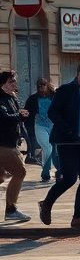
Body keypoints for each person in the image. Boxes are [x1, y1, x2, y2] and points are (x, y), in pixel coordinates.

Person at [38, 62, 80, 229]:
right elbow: (53, 112)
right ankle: (46, 203)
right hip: (68, 142)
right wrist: (67, 129)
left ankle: (78, 217)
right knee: (69, 179)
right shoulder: (66, 90)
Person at [0, 71, 31, 222]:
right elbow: (4, 118)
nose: (15, 84)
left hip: (11, 142)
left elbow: (15, 117)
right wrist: (19, 116)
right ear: (3, 83)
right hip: (3, 144)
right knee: (20, 172)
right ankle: (11, 209)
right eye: (11, 81)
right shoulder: (0, 98)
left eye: (15, 81)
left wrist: (22, 116)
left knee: (0, 178)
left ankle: (10, 209)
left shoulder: (12, 97)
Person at [25, 77, 59, 182]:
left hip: (53, 125)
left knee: (52, 149)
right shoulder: (33, 98)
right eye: (39, 86)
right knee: (47, 146)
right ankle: (46, 171)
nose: (41, 87)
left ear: (48, 85)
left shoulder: (54, 96)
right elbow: (27, 113)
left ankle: (54, 171)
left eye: (43, 85)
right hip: (40, 126)